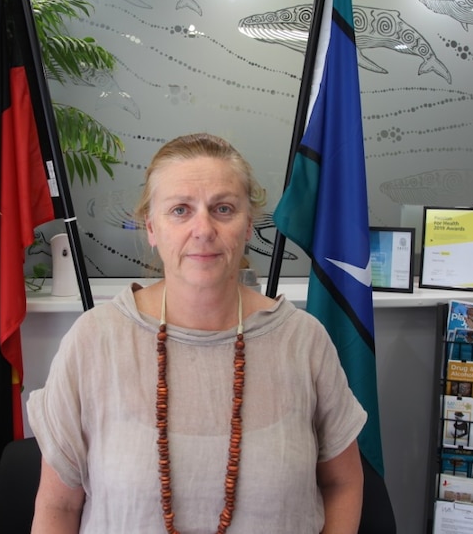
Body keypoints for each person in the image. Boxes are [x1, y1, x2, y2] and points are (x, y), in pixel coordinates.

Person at [26, 133, 367, 533]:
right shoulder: (93, 341)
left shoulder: (303, 341)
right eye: (180, 210)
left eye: (223, 208)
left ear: (246, 227)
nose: (203, 229)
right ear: (152, 228)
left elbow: (342, 482)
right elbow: (58, 507)